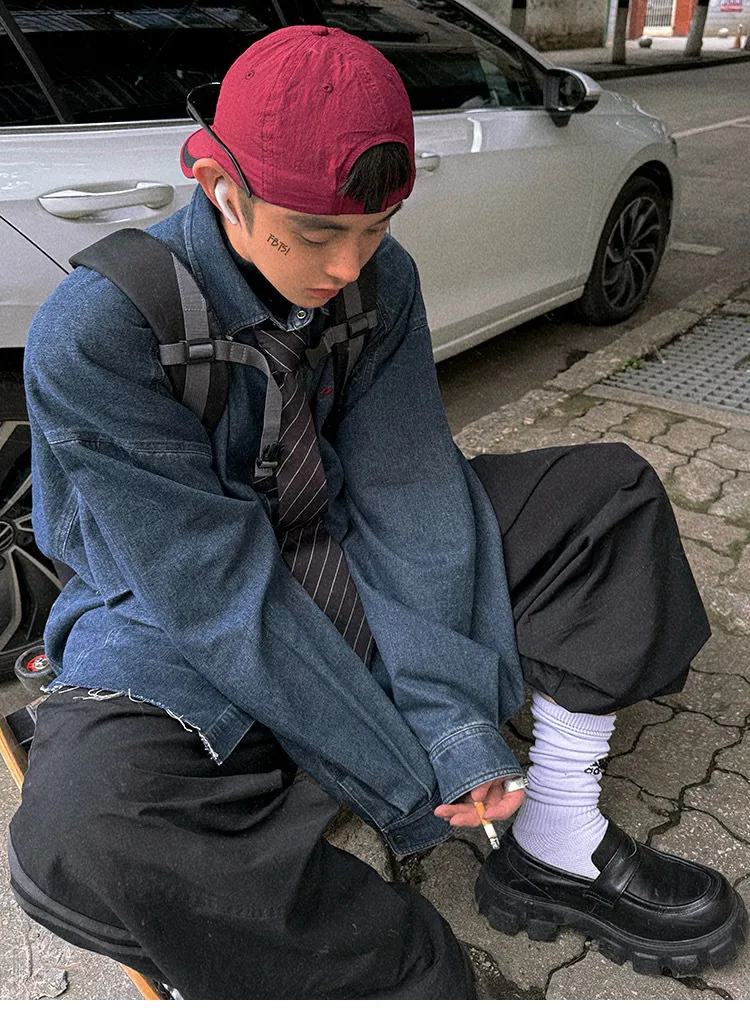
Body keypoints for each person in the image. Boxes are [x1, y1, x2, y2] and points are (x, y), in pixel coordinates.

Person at [9, 25, 746, 1000]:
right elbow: (216, 587)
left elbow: (409, 488)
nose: (351, 265)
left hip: (341, 538)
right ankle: (413, 979)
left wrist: (452, 718)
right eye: (317, 233)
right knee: (87, 828)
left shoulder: (380, 280)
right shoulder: (99, 329)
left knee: (607, 494)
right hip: (168, 599)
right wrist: (412, 767)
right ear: (217, 184)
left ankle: (555, 838)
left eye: (378, 227)